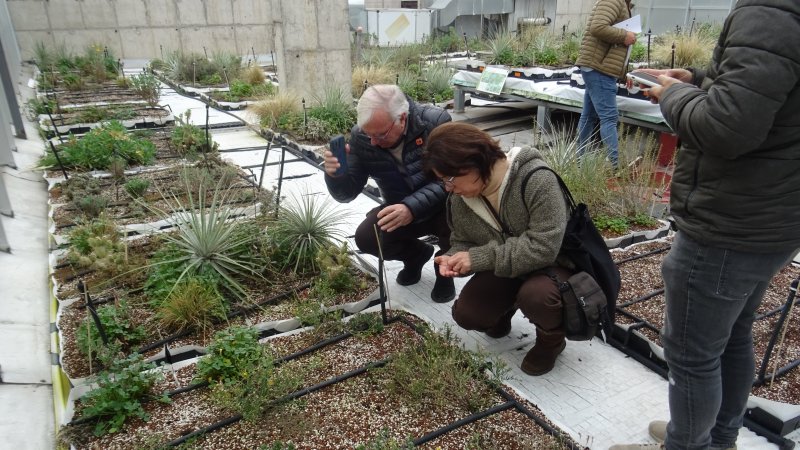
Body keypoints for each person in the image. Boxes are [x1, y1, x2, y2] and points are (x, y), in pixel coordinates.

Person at [611, 1, 800, 449]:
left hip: (732, 219)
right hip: (775, 215)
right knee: (733, 335)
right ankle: (719, 439)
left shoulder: (770, 12)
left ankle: (688, 444)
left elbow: (726, 128)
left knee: (692, 355)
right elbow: (774, 89)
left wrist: (673, 96)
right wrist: (699, 80)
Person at [424, 121, 576, 376]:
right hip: (508, 266)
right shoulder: (461, 198)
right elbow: (463, 239)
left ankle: (551, 341)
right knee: (468, 314)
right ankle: (506, 309)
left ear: (472, 164)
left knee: (537, 297)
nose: (449, 188)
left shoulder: (536, 178)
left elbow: (544, 247)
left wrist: (478, 258)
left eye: (449, 179)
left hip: (555, 267)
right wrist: (453, 257)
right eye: (443, 182)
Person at [323, 84, 456, 303]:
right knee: (366, 237)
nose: (373, 141)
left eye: (380, 135)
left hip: (444, 207)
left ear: (402, 118)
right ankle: (416, 255)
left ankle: (444, 266)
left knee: (459, 224)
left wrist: (411, 207)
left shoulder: (435, 123)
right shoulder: (362, 137)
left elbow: (450, 179)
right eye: (368, 134)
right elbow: (347, 194)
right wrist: (336, 175)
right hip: (399, 206)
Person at [575, 0, 637, 169]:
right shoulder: (613, 0)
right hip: (599, 68)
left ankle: (579, 161)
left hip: (598, 67)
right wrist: (625, 36)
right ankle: (614, 167)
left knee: (588, 116)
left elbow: (615, 50)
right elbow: (598, 27)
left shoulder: (623, 4)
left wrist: (624, 75)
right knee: (609, 117)